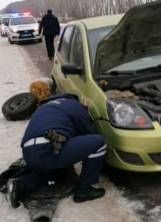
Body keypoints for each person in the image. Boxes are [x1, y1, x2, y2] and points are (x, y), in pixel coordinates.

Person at [7, 79, 107, 207]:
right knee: (99, 143)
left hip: (29, 153)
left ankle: (19, 186)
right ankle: (84, 190)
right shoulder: (74, 106)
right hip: (48, 149)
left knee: (56, 172)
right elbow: (89, 134)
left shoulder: (44, 107)